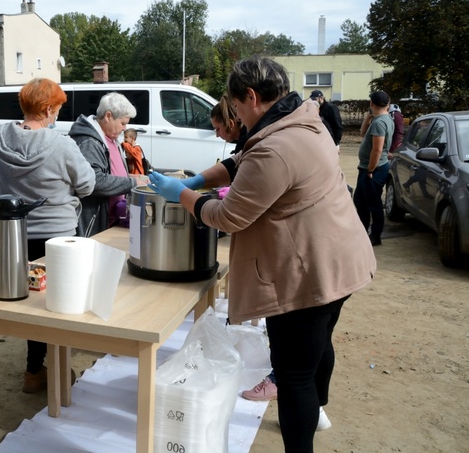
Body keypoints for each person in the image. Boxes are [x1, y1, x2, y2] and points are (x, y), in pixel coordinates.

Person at [148, 56, 376, 453]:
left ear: (250, 97)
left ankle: (303, 436)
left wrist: (181, 194)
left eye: (235, 109)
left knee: (293, 377)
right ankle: (318, 410)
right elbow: (242, 162)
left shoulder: (277, 147)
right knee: (319, 346)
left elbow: (228, 216)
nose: (235, 117)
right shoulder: (303, 120)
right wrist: (202, 178)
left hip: (310, 274)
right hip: (342, 260)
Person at [0, 78, 95, 393]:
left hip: (16, 236)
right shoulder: (62, 144)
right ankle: (58, 374)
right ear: (48, 109)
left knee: (32, 306)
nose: (58, 115)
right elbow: (88, 185)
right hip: (58, 238)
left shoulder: (0, 138)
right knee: (61, 307)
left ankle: (33, 371)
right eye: (58, 109)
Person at [69, 92, 146, 237]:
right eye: (122, 123)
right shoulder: (89, 142)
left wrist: (132, 176)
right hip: (97, 226)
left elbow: (111, 172)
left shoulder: (110, 137)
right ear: (108, 116)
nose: (124, 128)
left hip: (111, 222)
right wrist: (132, 182)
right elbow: (95, 180)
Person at [353, 91, 395, 246]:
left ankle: (375, 236)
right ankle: (362, 232)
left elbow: (377, 150)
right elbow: (363, 133)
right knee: (360, 201)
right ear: (388, 105)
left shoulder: (380, 122)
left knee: (372, 203)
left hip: (373, 170)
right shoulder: (380, 119)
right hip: (367, 168)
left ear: (371, 103)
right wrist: (368, 117)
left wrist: (370, 170)